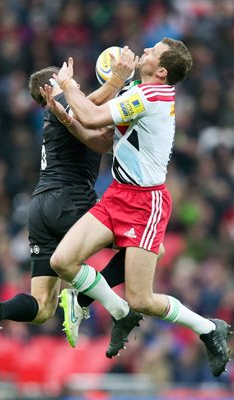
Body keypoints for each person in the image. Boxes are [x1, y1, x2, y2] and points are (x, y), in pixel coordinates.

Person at [43, 37, 232, 377]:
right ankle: (119, 312)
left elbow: (93, 114)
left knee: (142, 299)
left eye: (152, 52)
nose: (144, 50)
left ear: (161, 70)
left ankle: (208, 328)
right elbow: (101, 141)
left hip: (146, 203)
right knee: (62, 261)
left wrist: (68, 85)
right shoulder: (138, 90)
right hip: (118, 194)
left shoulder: (149, 96)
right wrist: (68, 118)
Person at [0, 47, 144, 356]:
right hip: (70, 199)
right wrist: (117, 80)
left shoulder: (64, 112)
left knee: (43, 308)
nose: (71, 80)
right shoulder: (60, 103)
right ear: (50, 89)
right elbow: (89, 109)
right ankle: (83, 300)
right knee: (140, 245)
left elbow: (102, 139)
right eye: (63, 78)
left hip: (41, 208)